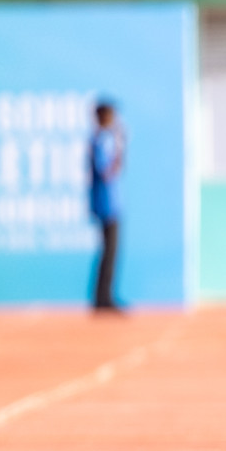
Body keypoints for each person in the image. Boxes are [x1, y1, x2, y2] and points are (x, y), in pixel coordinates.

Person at [88, 100, 125, 312]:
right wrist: (119, 151)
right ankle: (103, 298)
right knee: (109, 252)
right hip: (106, 204)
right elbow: (107, 171)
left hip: (110, 203)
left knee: (110, 252)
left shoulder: (103, 139)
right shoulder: (101, 140)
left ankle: (104, 296)